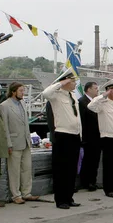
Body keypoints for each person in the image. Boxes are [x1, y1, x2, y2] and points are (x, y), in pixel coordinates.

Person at [41, 69, 82, 210]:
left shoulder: (72, 96)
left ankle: (69, 197)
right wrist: (61, 82)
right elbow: (45, 93)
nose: (75, 83)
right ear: (66, 81)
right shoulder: (56, 96)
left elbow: (77, 118)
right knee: (61, 169)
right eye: (73, 81)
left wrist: (80, 134)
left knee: (71, 169)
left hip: (74, 134)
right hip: (62, 135)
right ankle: (61, 199)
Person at [0, 82, 39, 204]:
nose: (23, 93)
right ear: (13, 91)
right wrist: (8, 144)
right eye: (21, 91)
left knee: (26, 168)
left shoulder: (22, 103)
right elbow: (4, 126)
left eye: (24, 90)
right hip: (14, 142)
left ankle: (27, 192)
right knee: (14, 170)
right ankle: (16, 195)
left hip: (25, 141)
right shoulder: (4, 106)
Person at [88, 79, 113, 197]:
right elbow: (90, 106)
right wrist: (103, 95)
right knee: (109, 165)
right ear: (109, 91)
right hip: (108, 137)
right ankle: (108, 188)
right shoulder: (102, 104)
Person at [78, 81, 101, 191]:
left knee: (95, 160)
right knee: (88, 161)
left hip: (97, 136)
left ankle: (93, 180)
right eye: (95, 88)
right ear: (88, 89)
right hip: (88, 136)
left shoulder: (96, 102)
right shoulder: (82, 102)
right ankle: (86, 182)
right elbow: (82, 121)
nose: (97, 90)